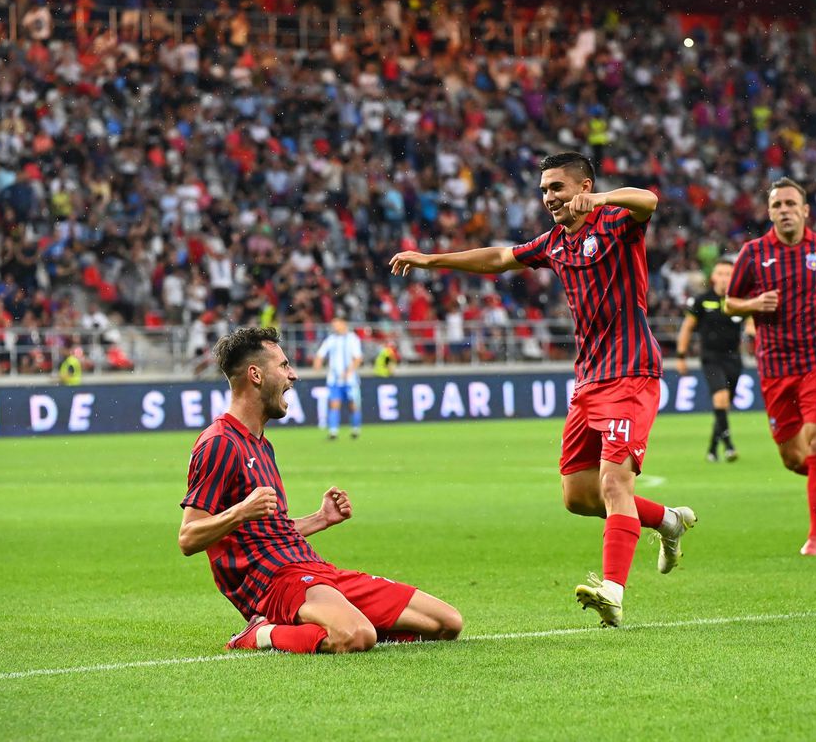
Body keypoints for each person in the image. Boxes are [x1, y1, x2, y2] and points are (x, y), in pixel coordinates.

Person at [391, 151, 696, 628]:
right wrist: (433, 260)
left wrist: (601, 198)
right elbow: (498, 258)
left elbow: (649, 200)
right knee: (579, 496)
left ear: (583, 185)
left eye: (557, 187)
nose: (549, 197)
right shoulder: (554, 243)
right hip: (589, 379)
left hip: (631, 372)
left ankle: (613, 590)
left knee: (615, 482)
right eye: (544, 190)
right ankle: (668, 520)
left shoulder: (617, 222)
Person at [179, 327, 462, 653]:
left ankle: (337, 620)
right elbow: (188, 538)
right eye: (284, 366)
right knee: (355, 636)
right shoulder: (219, 443)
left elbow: (268, 530)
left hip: (311, 568)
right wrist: (241, 510)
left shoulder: (262, 445)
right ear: (256, 375)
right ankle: (258, 634)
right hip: (275, 581)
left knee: (446, 623)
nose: (293, 375)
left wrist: (320, 519)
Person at [725, 178, 816, 556]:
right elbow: (730, 303)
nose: (783, 210)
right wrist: (754, 304)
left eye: (789, 204)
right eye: (777, 205)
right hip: (776, 364)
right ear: (769, 213)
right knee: (793, 457)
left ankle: (815, 537)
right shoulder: (752, 253)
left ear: (804, 211)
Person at [675, 257, 755, 463]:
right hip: (711, 358)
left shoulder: (738, 300)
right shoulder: (702, 300)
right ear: (713, 277)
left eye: (728, 274)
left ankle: (712, 449)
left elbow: (751, 322)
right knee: (720, 398)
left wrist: (752, 333)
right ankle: (729, 447)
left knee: (724, 404)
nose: (724, 279)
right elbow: (687, 327)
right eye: (720, 274)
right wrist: (681, 356)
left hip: (734, 359)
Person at [313, 316, 363, 440]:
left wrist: (349, 372)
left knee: (353, 405)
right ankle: (333, 432)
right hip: (334, 380)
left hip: (350, 380)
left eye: (336, 324)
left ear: (343, 324)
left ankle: (355, 430)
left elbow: (358, 358)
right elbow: (320, 353)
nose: (334, 327)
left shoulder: (352, 338)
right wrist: (318, 362)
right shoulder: (331, 339)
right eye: (333, 325)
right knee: (334, 404)